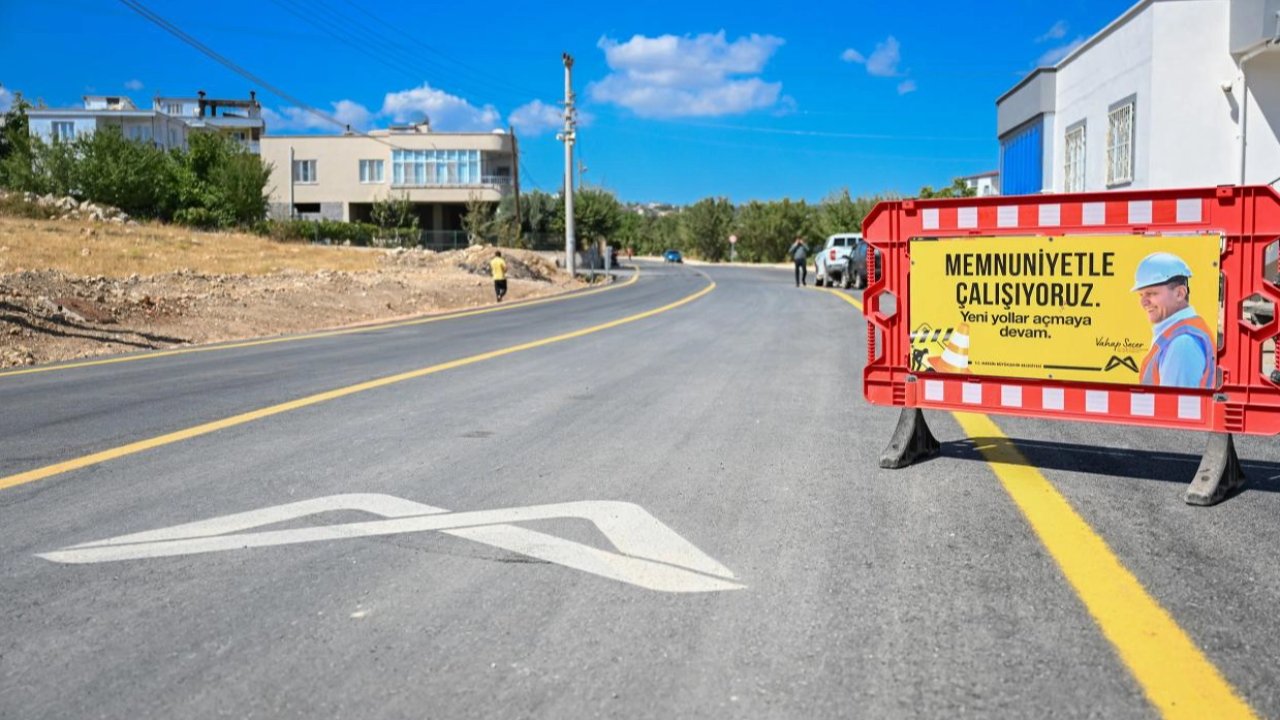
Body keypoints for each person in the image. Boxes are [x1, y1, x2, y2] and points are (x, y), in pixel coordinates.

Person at [1132, 252, 1214, 388]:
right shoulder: (1176, 332)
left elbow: (1173, 407)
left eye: (1151, 293)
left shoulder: (1182, 344)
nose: (1143, 302)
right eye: (1141, 295)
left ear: (1180, 294)